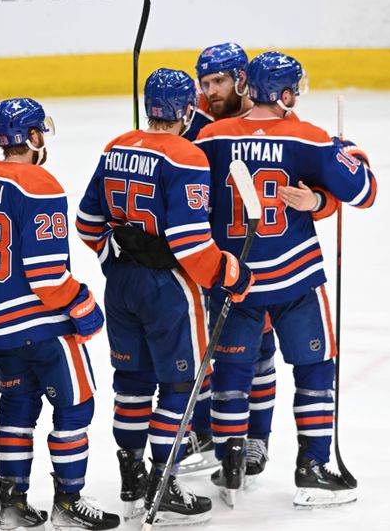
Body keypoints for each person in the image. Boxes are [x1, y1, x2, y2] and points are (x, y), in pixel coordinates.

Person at [194, 51, 376, 507]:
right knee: (315, 369)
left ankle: (231, 464)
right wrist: (345, 158)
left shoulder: (211, 137)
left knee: (233, 371)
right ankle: (312, 466)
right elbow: (365, 190)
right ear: (287, 92)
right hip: (296, 277)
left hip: (236, 280)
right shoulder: (309, 138)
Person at [76, 68, 254, 524]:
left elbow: (86, 223)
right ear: (185, 110)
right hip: (169, 287)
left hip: (120, 286)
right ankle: (164, 482)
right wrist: (230, 273)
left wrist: (117, 259)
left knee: (132, 384)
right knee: (178, 385)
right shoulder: (188, 156)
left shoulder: (116, 145)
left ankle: (132, 478)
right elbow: (192, 244)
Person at [0, 98, 119, 531]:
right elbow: (46, 277)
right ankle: (68, 500)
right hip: (39, 322)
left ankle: (12, 506)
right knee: (75, 407)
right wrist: (83, 304)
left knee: (17, 406)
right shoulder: (40, 184)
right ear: (32, 136)